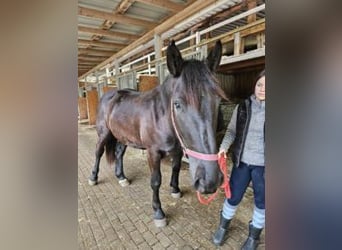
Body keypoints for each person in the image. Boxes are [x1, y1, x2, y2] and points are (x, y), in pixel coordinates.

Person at [212, 70, 265, 250]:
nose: (263, 89)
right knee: (232, 197)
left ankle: (253, 237)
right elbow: (232, 132)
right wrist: (223, 148)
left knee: (262, 202)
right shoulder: (242, 107)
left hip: (264, 168)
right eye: (259, 84)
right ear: (254, 86)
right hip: (242, 163)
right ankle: (223, 226)